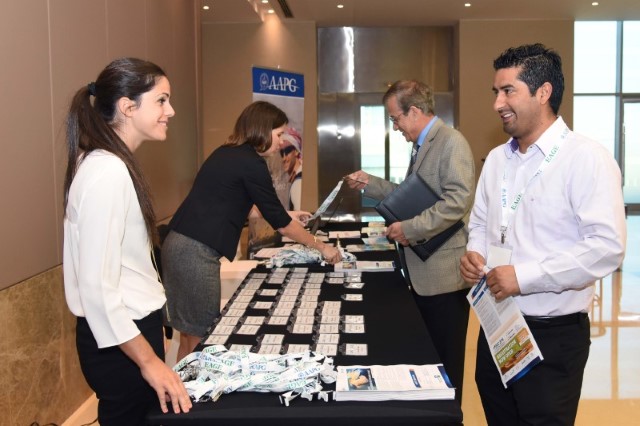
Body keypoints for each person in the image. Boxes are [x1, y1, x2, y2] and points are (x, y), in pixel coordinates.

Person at [460, 44, 626, 425]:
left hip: (552, 336)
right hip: (498, 324)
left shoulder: (585, 158)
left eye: (508, 91)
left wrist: (523, 277)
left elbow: (606, 247)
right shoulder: (497, 159)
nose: (497, 103)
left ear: (543, 92)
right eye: (496, 92)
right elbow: (481, 222)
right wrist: (475, 253)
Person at [62, 58, 192, 425]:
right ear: (127, 107)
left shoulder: (107, 164)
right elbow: (97, 287)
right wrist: (148, 361)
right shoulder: (107, 171)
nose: (171, 111)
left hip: (128, 333)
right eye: (161, 100)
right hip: (119, 342)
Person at [162, 101, 342, 361]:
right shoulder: (250, 162)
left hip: (179, 246)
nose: (282, 142)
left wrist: (288, 215)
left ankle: (182, 386)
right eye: (279, 134)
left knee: (190, 336)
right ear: (262, 129)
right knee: (201, 338)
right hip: (194, 254)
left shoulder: (228, 153)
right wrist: (321, 246)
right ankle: (189, 387)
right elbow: (280, 224)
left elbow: (244, 207)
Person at [346, 80, 475, 403]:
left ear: (414, 111)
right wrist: (370, 183)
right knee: (430, 364)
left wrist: (411, 229)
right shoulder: (423, 145)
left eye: (396, 118)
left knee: (446, 364)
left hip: (444, 278)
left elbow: (457, 202)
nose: (395, 127)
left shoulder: (451, 142)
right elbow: (409, 197)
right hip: (422, 274)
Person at [280, 127, 303, 211]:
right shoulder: (298, 177)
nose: (284, 158)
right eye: (281, 153)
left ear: (296, 151)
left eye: (287, 151)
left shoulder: (298, 182)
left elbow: (301, 217)